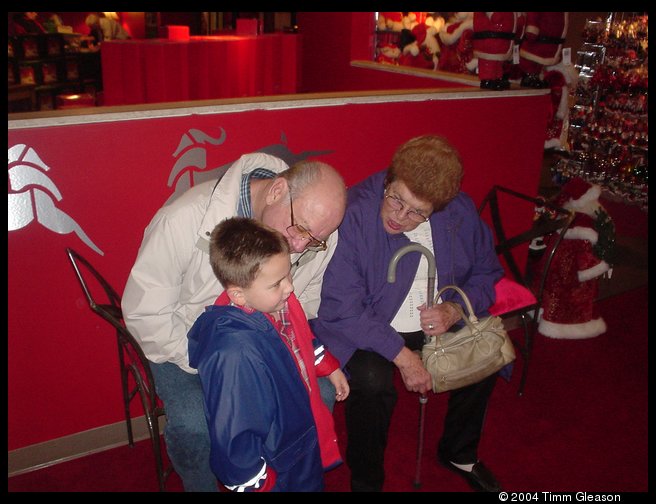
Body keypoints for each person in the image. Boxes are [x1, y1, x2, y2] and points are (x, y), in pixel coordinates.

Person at [122, 152, 347, 491]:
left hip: (266, 342)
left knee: (322, 393)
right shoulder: (183, 218)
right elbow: (147, 314)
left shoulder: (317, 237)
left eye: (314, 240)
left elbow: (307, 303)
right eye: (299, 229)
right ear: (276, 191)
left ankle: (285, 473)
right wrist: (214, 365)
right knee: (195, 424)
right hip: (182, 345)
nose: (300, 246)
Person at [310, 135, 505, 492]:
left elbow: (487, 273)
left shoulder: (458, 211)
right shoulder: (353, 214)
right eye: (396, 199)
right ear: (388, 181)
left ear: (440, 208)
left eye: (418, 212)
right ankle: (366, 479)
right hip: (370, 325)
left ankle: (458, 451)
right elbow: (343, 307)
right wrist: (403, 357)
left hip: (437, 320)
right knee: (371, 382)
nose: (400, 217)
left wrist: (455, 308)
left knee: (482, 354)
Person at [188, 217, 349, 491]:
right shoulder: (234, 355)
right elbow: (235, 439)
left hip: (297, 438)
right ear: (238, 295)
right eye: (277, 283)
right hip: (277, 460)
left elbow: (301, 341)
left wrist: (329, 366)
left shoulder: (279, 302)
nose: (290, 287)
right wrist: (260, 485)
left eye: (288, 274)